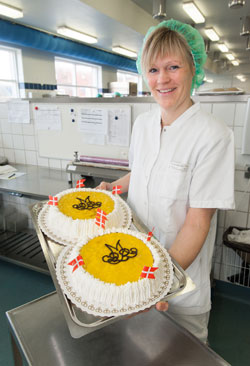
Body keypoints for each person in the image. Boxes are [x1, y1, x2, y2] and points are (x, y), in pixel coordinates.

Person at [97, 19, 235, 343]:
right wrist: (111, 189)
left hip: (180, 289)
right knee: (136, 352)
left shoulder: (213, 136)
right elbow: (143, 172)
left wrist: (157, 282)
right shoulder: (143, 124)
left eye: (173, 66)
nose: (163, 79)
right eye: (153, 70)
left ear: (192, 69)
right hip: (134, 267)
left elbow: (197, 224)